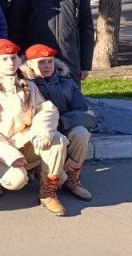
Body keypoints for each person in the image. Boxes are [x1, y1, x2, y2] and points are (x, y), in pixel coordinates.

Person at [0, 39, 69, 216]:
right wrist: (10, 155)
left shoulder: (27, 85)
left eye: (13, 58)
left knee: (57, 140)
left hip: (22, 141)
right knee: (17, 180)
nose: (11, 63)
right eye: (4, 59)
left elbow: (45, 110)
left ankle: (48, 194)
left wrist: (41, 133)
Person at [20, 43, 95, 201]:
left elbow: (87, 113)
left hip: (63, 127)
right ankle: (49, 182)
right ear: (29, 64)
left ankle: (72, 178)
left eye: (50, 61)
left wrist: (62, 122)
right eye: (41, 62)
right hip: (39, 136)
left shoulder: (66, 83)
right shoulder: (24, 85)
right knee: (58, 178)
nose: (47, 66)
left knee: (81, 133)